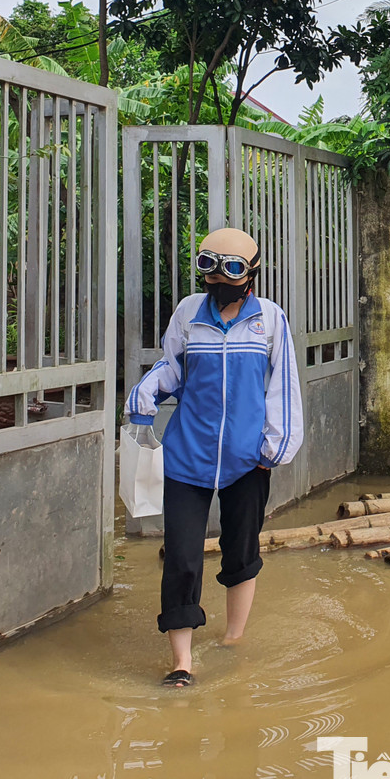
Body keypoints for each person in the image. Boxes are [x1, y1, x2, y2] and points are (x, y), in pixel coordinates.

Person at [124, 227, 302, 687]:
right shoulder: (188, 313)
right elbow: (173, 366)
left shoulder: (270, 320)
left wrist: (273, 450)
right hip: (189, 456)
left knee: (240, 550)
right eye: (210, 267)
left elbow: (282, 388)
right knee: (183, 557)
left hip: (248, 461)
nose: (219, 280)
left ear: (251, 276)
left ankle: (233, 639)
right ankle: (182, 663)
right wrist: (148, 391)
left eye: (232, 269)